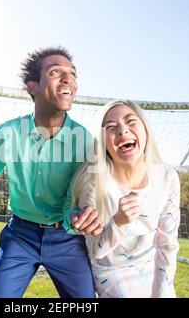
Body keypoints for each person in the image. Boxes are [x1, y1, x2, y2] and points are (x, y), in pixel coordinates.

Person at [0, 46, 96, 298]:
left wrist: (85, 214)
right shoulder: (7, 134)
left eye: (72, 73)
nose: (68, 78)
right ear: (33, 86)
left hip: (67, 239)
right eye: (56, 72)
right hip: (19, 236)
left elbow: (88, 195)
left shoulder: (85, 141)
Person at [63, 99, 181, 298]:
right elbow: (97, 250)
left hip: (151, 267)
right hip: (111, 271)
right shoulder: (93, 182)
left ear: (145, 128)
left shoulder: (167, 177)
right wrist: (118, 222)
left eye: (130, 121)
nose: (122, 130)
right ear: (103, 142)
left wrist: (162, 292)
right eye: (111, 127)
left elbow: (167, 244)